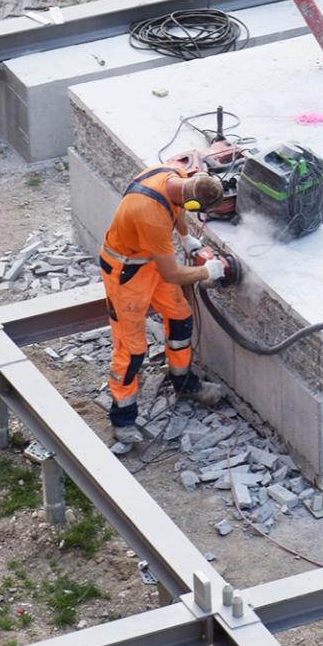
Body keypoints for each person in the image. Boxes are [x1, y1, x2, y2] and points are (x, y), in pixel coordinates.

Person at [99, 163, 231, 453]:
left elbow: (178, 207)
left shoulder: (175, 176)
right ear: (193, 197)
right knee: (131, 349)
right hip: (126, 273)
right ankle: (122, 418)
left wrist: (185, 236)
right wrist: (207, 272)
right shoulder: (149, 214)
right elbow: (172, 274)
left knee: (181, 316)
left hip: (149, 263)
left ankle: (183, 382)